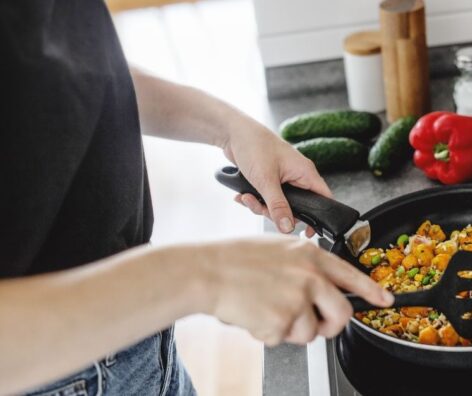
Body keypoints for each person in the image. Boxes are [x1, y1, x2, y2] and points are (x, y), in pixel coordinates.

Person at [0, 1, 393, 395]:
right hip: (52, 372)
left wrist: (228, 126)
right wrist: (206, 276)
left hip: (137, 327)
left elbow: (59, 68)